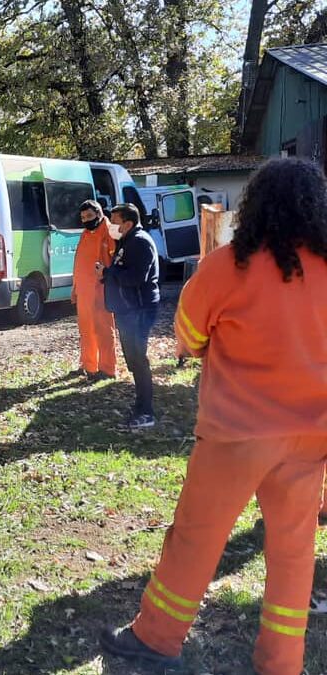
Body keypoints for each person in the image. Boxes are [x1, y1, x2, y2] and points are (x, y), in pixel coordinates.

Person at [100, 158, 327, 674]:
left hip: (236, 435)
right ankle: (281, 663)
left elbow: (188, 336)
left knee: (196, 537)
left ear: (256, 206)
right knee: (293, 555)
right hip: (311, 435)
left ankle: (156, 638)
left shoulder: (227, 265)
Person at [97, 203, 159, 429]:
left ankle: (146, 412)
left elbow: (136, 277)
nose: (111, 226)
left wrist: (108, 272)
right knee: (133, 361)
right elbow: (121, 271)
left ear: (128, 223)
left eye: (114, 222)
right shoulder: (126, 241)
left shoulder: (140, 242)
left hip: (139, 310)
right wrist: (107, 274)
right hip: (126, 309)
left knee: (138, 360)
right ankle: (140, 404)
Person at [71, 200, 116, 381]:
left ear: (98, 214)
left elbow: (116, 261)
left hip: (102, 289)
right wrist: (75, 288)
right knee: (86, 330)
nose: (86, 220)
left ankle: (107, 369)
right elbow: (79, 262)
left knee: (104, 330)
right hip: (84, 290)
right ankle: (89, 366)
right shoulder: (85, 233)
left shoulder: (110, 231)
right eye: (82, 217)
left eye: (89, 216)